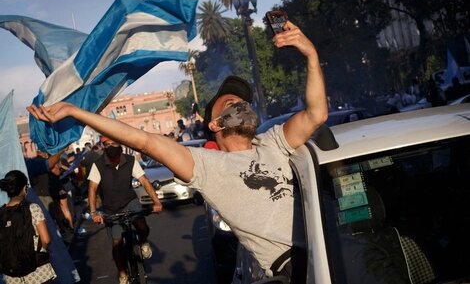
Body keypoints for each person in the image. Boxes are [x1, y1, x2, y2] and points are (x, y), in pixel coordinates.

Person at [27, 20, 328, 282]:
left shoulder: (273, 141)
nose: (241, 104)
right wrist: (75, 111)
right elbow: (143, 141)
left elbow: (316, 114)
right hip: (299, 266)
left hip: (334, 245)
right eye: (231, 103)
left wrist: (311, 54)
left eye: (243, 102)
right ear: (214, 125)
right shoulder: (206, 166)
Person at [86, 135, 163, 284]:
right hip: (110, 208)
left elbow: (144, 181)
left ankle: (143, 242)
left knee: (142, 226)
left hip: (130, 201)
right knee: (117, 244)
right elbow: (92, 189)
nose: (111, 146)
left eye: (114, 143)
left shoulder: (131, 160)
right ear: (103, 147)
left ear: (120, 144)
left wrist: (156, 202)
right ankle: (122, 273)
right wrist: (94, 212)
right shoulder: (98, 165)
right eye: (107, 144)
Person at [0, 170, 57, 283]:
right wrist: (42, 251)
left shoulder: (1, 213)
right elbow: (46, 239)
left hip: (12, 277)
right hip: (38, 272)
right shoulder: (33, 208)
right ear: (25, 188)